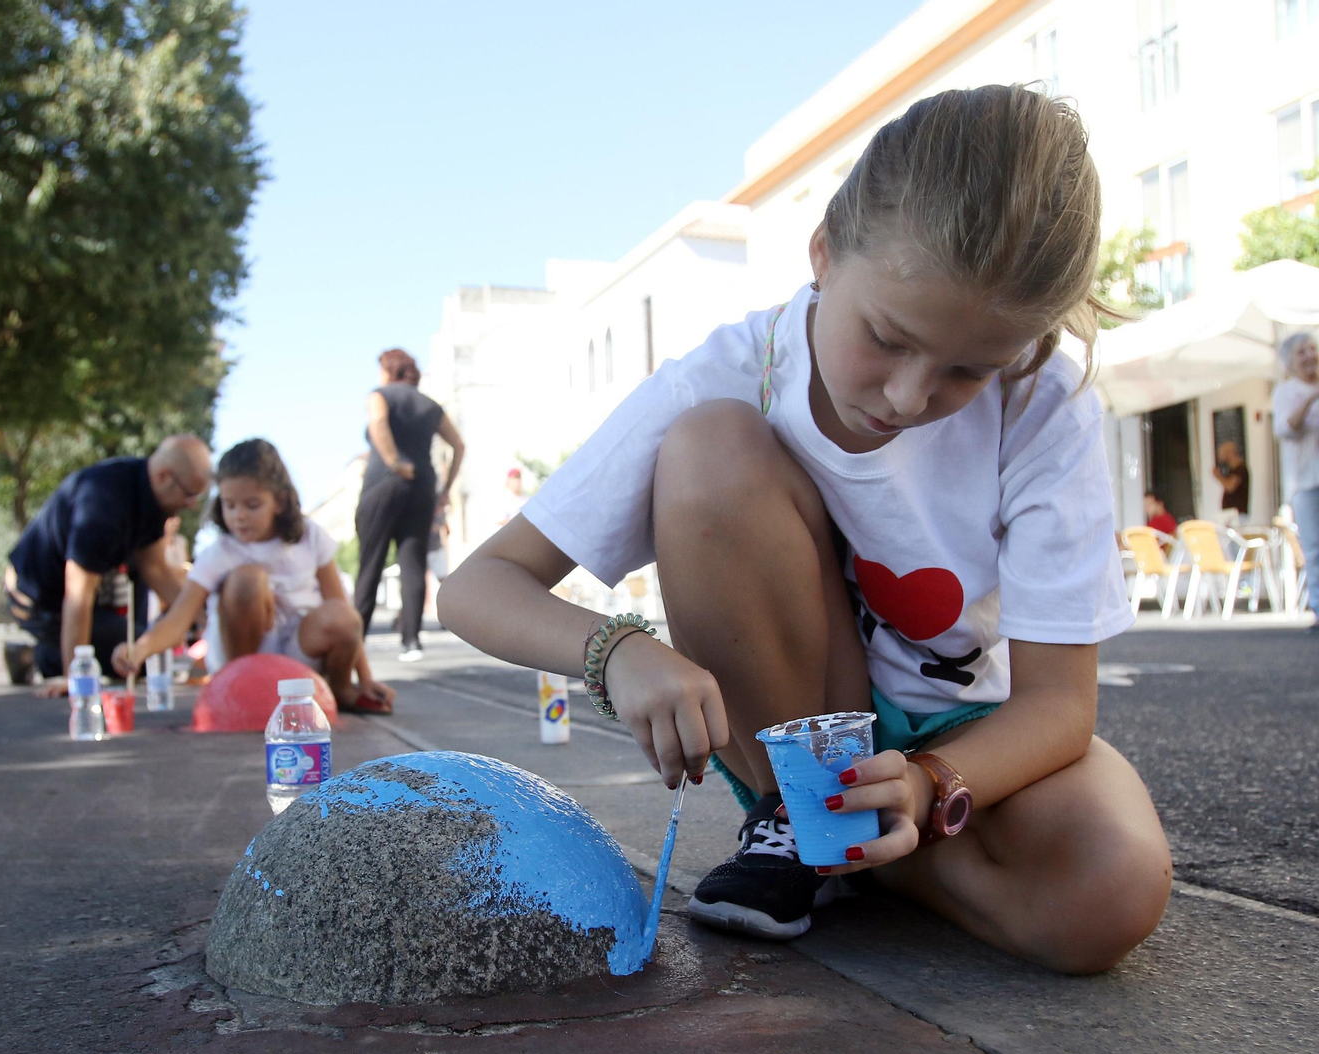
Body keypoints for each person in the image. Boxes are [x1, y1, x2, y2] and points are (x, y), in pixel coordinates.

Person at [437, 85, 1172, 976]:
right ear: (823, 252)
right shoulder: (731, 370)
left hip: (975, 730)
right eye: (888, 338)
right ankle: (804, 815)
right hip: (798, 729)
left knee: (1113, 888)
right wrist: (618, 651)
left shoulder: (1043, 397)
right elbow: (476, 587)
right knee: (709, 446)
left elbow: (1058, 705)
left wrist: (931, 785)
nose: (908, 397)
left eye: (968, 371)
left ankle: (854, 852)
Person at [113, 439, 394, 713]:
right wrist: (138, 650)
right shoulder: (220, 551)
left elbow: (343, 611)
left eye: (252, 505)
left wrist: (365, 677)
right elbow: (178, 618)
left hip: (299, 653)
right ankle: (241, 687)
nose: (239, 516)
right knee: (247, 580)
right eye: (229, 505)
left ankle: (340, 690)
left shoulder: (309, 536)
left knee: (342, 615)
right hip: (242, 654)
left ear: (279, 501)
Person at [4, 435, 213, 697]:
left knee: (139, 651)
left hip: (79, 600)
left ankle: (58, 650)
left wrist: (208, 616)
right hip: (34, 599)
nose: (192, 505)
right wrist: (75, 677)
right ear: (164, 477)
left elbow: (156, 570)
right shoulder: (103, 504)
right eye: (190, 494)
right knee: (131, 658)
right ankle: (38, 656)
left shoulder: (153, 499)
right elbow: (78, 595)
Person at [354, 348, 465, 662]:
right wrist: (445, 489)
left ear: (388, 371)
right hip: (422, 487)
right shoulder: (431, 406)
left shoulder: (379, 395)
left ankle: (354, 642)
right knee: (413, 562)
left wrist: (394, 462)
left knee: (371, 562)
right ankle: (411, 641)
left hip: (384, 484)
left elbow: (378, 422)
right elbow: (458, 445)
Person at [1272, 330, 1319, 624]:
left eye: (1312, 348)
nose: (1310, 355)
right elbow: (1285, 429)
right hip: (1305, 482)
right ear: (1289, 361)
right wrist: (1312, 397)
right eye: (1301, 352)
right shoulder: (1286, 392)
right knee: (1314, 548)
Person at [1213, 441, 1249, 524]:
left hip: (1236, 514)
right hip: (1230, 514)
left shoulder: (1240, 469)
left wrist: (1219, 476)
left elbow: (1230, 487)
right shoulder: (1232, 470)